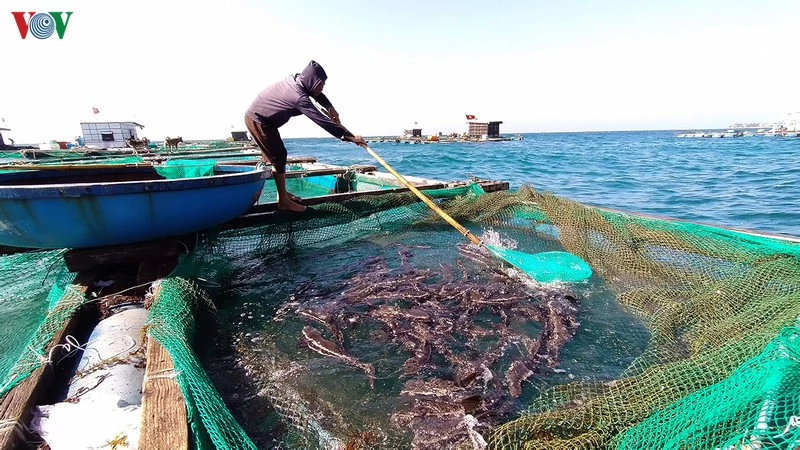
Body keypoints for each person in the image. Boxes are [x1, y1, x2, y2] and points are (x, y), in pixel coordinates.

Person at [245, 60, 366, 212]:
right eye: (320, 84)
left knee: (279, 156)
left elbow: (317, 94)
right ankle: (283, 200)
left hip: (264, 119)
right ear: (311, 81)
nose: (322, 87)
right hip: (258, 120)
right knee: (279, 155)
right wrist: (350, 137)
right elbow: (321, 120)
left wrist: (330, 108)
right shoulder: (298, 97)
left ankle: (282, 194)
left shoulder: (299, 80)